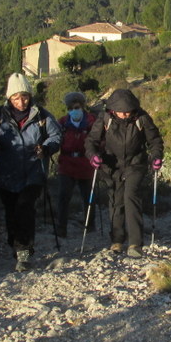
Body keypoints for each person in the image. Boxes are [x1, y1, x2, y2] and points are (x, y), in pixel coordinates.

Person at [0, 73, 61, 271]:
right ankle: (15, 245)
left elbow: (56, 135)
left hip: (33, 172)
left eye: (25, 97)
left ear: (30, 96)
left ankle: (24, 254)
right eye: (16, 98)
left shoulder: (41, 115)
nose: (21, 102)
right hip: (5, 173)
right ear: (9, 98)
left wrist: (46, 148)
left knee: (25, 210)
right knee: (11, 213)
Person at [85, 88, 164, 258]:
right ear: (113, 109)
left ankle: (135, 243)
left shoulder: (142, 118)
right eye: (121, 112)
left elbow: (155, 140)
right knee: (116, 200)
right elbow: (91, 141)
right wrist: (93, 156)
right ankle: (117, 240)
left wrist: (156, 157)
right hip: (112, 165)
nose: (125, 114)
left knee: (130, 195)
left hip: (136, 163)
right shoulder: (105, 118)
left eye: (128, 111)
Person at [55, 90, 96, 237]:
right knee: (63, 196)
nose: (74, 111)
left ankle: (90, 225)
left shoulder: (92, 121)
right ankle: (61, 228)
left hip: (86, 163)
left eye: (77, 108)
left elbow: (99, 141)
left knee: (89, 197)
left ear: (82, 106)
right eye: (71, 109)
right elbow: (54, 138)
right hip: (66, 163)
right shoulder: (62, 122)